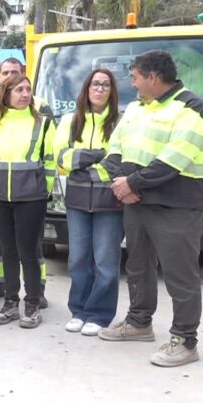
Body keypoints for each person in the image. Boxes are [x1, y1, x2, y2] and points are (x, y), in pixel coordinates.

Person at [99, 50, 203, 368]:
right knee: (137, 266)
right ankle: (139, 323)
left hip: (176, 206)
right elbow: (116, 148)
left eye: (135, 77)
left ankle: (185, 340)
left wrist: (132, 184)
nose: (132, 84)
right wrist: (121, 184)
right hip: (137, 203)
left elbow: (175, 160)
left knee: (180, 275)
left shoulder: (194, 109)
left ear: (152, 77)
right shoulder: (137, 108)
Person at [0, 58, 48, 305]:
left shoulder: (40, 109)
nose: (10, 76)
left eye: (15, 73)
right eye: (5, 72)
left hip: (30, 190)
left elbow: (48, 154)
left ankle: (37, 292)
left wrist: (44, 189)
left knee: (30, 245)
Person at [54, 69, 123, 336]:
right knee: (78, 260)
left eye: (106, 84)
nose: (100, 88)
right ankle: (79, 310)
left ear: (112, 91)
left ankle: (100, 314)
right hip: (78, 201)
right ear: (86, 88)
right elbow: (61, 158)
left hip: (110, 201)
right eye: (95, 83)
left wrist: (82, 161)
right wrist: (96, 157)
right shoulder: (70, 121)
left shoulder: (121, 123)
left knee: (106, 262)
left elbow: (119, 162)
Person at [0, 74, 55, 328]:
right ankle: (11, 302)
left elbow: (49, 162)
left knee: (29, 252)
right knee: (8, 251)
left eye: (28, 90)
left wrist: (42, 191)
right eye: (19, 90)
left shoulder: (43, 123)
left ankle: (33, 303)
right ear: (6, 94)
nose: (25, 94)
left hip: (31, 198)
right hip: (0, 196)